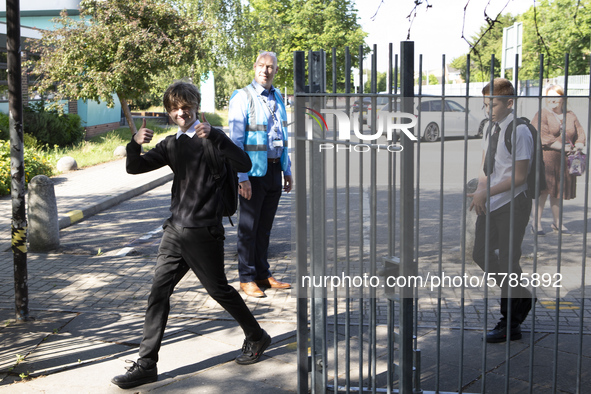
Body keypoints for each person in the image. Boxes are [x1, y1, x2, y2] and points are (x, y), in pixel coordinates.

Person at [111, 81, 271, 389]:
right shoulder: (172, 144)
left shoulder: (212, 136)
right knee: (158, 293)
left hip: (204, 231)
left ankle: (256, 335)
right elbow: (135, 168)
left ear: (195, 106)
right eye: (174, 109)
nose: (180, 113)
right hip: (174, 230)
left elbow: (245, 163)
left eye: (186, 107)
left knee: (219, 290)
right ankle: (146, 364)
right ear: (169, 113)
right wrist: (135, 143)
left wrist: (216, 138)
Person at [468, 78, 535, 343]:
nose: (489, 109)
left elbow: (520, 177)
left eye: (493, 104)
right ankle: (523, 297)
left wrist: (488, 192)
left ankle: (511, 323)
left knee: (508, 262)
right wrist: (480, 192)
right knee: (481, 254)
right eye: (486, 104)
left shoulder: (520, 131)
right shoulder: (490, 127)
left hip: (513, 204)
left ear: (510, 103)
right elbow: (487, 167)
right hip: (492, 201)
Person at [229, 51, 293, 298]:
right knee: (248, 228)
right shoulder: (242, 97)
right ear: (254, 67)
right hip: (252, 174)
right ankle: (246, 278)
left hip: (274, 169)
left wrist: (287, 170)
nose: (266, 70)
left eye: (271, 67)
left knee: (264, 228)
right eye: (262, 66)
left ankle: (262, 274)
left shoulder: (278, 96)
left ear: (276, 70)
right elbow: (235, 142)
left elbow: (283, 137)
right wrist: (241, 177)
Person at [530, 84, 586, 236]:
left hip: (564, 161)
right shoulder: (542, 114)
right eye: (549, 96)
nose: (552, 99)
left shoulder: (571, 115)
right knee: (543, 192)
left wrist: (579, 144)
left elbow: (580, 132)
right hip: (546, 159)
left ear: (563, 98)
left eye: (556, 96)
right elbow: (541, 136)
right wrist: (565, 147)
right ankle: (536, 223)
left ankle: (557, 222)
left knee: (558, 193)